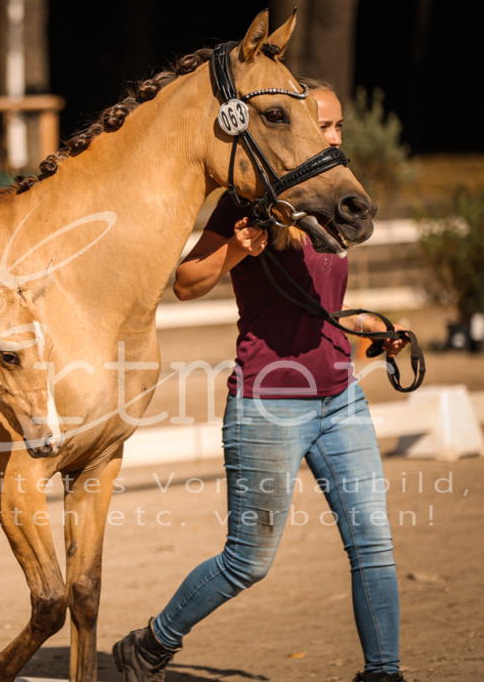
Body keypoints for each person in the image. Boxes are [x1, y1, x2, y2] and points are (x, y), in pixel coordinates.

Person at [111, 80, 409, 682]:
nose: (332, 138)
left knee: (373, 546)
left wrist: (373, 327)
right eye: (324, 126)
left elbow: (322, 306)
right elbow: (186, 282)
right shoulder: (251, 202)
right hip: (268, 404)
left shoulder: (333, 205)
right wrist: (237, 251)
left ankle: (383, 672)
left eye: (337, 128)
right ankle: (151, 644)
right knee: (248, 561)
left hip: (340, 399)